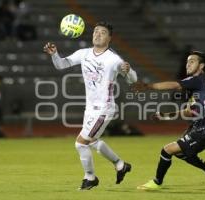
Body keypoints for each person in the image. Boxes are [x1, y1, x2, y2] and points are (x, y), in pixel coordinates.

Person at [43, 21, 137, 190]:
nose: (97, 34)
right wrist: (54, 54)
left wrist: (128, 70)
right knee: (93, 142)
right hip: (90, 109)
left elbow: (133, 80)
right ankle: (121, 165)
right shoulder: (84, 53)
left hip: (104, 109)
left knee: (81, 143)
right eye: (95, 31)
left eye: (102, 32)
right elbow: (62, 64)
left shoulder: (113, 59)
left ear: (109, 38)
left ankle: (90, 178)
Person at [133, 51, 205, 190]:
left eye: (192, 61)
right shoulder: (197, 86)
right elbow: (188, 111)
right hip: (200, 128)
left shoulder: (197, 80)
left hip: (204, 129)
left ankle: (157, 182)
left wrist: (149, 86)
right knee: (181, 153)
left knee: (167, 150)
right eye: (187, 61)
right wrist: (166, 115)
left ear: (201, 66)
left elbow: (175, 85)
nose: (188, 64)